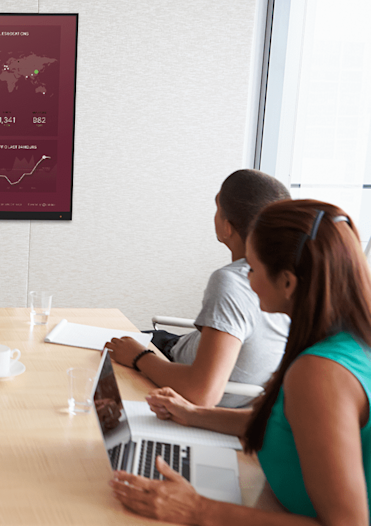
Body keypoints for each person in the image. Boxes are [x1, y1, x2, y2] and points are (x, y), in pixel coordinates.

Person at [110, 199, 371, 525]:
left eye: (253, 268)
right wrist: (194, 415)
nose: (247, 279)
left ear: (288, 282)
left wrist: (197, 509)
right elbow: (284, 423)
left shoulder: (320, 372)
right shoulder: (345, 338)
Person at [106, 169, 291, 407]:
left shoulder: (232, 281)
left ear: (227, 227)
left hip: (173, 367)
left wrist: (140, 357)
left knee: (97, 356)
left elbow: (201, 392)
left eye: (217, 208)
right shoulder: (293, 276)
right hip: (183, 351)